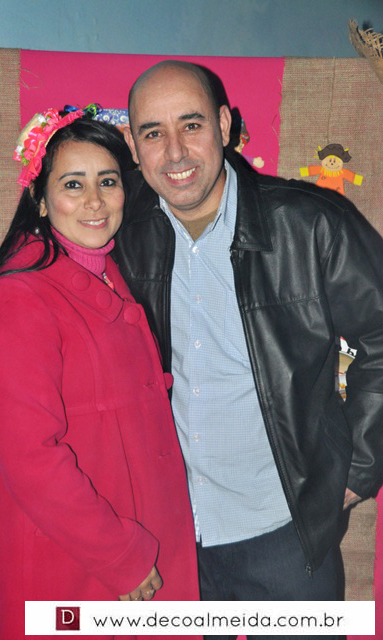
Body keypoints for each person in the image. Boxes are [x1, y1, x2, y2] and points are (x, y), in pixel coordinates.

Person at [109, 61, 383, 639]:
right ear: (132, 145)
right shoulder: (113, 224)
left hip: (285, 533)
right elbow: (31, 284)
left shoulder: (310, 222)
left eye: (192, 125)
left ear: (224, 125)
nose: (176, 152)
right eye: (154, 132)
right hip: (169, 540)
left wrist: (359, 468)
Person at [0, 106, 199, 640]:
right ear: (40, 198)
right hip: (74, 563)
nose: (95, 201)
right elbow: (30, 457)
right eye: (73, 184)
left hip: (136, 547)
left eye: (107, 181)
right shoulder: (16, 297)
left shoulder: (108, 273)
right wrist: (119, 554)